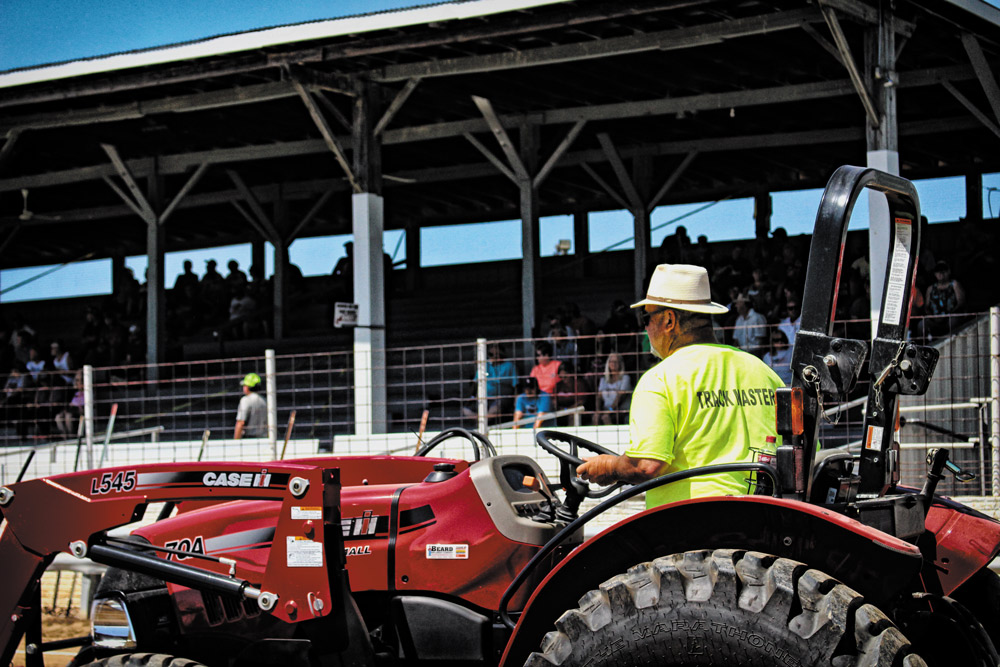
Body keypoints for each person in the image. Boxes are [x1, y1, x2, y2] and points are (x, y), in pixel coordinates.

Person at [576, 264, 784, 508]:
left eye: (646, 318)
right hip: (766, 517)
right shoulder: (763, 371)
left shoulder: (661, 379)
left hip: (688, 527)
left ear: (669, 320)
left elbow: (646, 466)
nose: (645, 328)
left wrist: (609, 466)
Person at [461, 343, 517, 421]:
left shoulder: (509, 366)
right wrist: (471, 398)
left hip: (500, 398)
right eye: (491, 354)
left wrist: (515, 400)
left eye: (497, 354)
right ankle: (482, 423)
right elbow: (475, 383)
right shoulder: (484, 366)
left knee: (494, 409)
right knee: (466, 410)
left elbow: (516, 384)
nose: (494, 356)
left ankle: (484, 424)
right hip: (484, 398)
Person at [594, 352, 631, 425]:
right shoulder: (603, 380)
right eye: (611, 361)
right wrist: (598, 411)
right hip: (606, 409)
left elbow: (620, 398)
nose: (613, 363)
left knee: (606, 418)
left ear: (620, 364)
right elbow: (599, 397)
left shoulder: (625, 378)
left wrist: (610, 410)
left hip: (619, 409)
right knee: (596, 417)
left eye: (616, 361)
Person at [732, 293, 768, 357]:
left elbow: (762, 341)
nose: (736, 305)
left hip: (755, 354)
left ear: (744, 304)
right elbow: (736, 340)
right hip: (742, 354)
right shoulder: (738, 320)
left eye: (738, 303)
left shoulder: (757, 318)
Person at [234, 372, 267, 439]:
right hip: (264, 439)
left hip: (249, 440)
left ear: (248, 387)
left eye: (244, 385)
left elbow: (240, 423)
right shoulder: (264, 401)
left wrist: (235, 441)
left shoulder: (245, 400)